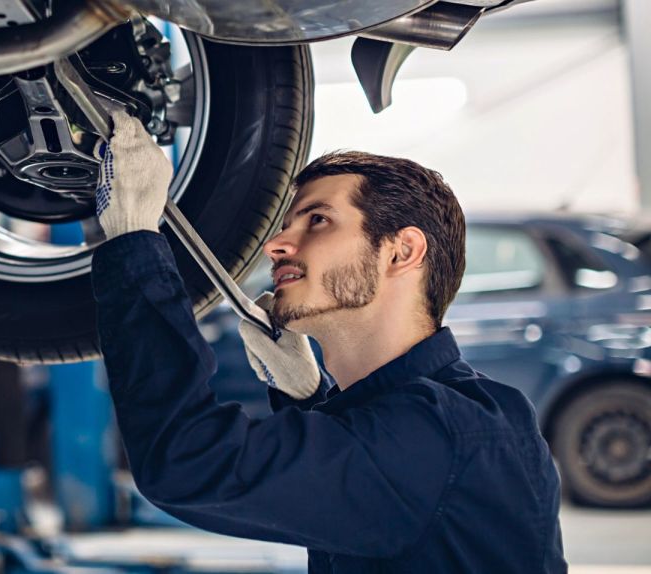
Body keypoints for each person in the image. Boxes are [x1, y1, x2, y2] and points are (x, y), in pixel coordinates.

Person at [90, 111, 567, 573]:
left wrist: (134, 239)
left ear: (402, 251)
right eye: (287, 224)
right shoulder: (460, 416)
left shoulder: (437, 436)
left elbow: (186, 461)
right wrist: (309, 399)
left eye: (317, 220)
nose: (275, 245)